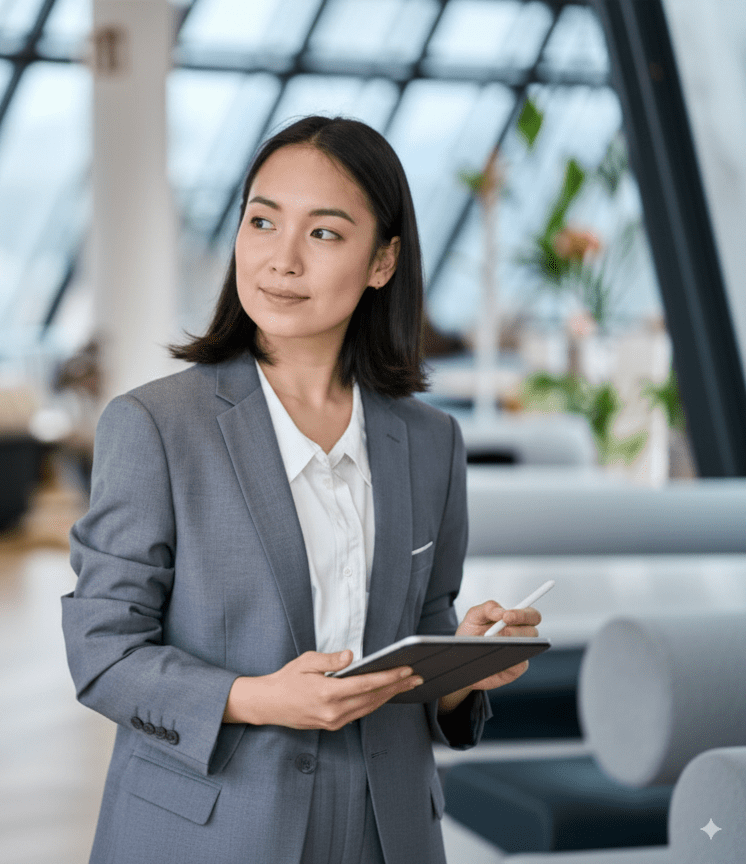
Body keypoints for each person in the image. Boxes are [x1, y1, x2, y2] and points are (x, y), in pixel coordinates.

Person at [61, 115, 541, 864]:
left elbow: (420, 628)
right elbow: (103, 654)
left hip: (387, 834)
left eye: (323, 234)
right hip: (211, 833)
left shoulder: (429, 443)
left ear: (383, 261)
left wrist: (460, 669)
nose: (281, 260)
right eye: (262, 221)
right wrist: (257, 699)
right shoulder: (154, 426)